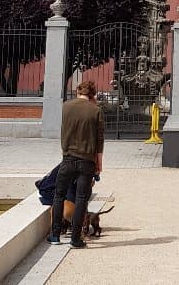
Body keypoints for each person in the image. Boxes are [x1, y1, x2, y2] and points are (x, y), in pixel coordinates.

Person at [50, 79, 105, 249]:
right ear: (92, 94)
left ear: (78, 92)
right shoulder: (96, 110)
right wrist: (99, 164)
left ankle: (55, 235)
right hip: (87, 161)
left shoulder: (66, 106)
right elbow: (99, 140)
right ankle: (75, 239)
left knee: (59, 195)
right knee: (82, 198)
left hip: (67, 158)